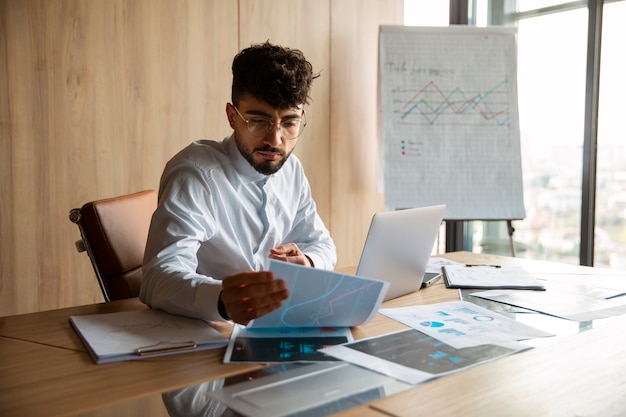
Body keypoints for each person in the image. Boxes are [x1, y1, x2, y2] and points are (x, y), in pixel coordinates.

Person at [140, 41, 337, 325]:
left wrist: (306, 262)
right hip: (207, 338)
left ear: (301, 118)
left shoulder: (291, 169)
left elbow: (322, 245)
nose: (275, 140)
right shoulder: (195, 174)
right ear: (232, 117)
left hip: (277, 327)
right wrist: (221, 300)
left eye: (290, 122)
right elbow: (158, 277)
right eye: (258, 121)